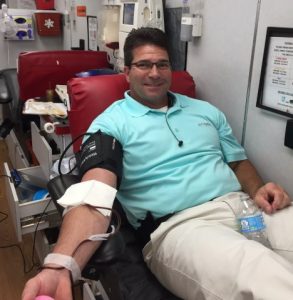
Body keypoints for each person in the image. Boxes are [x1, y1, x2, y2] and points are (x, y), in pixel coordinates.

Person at [22, 27, 293, 300]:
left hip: (243, 208)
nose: (154, 73)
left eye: (162, 64)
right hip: (182, 228)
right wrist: (61, 266)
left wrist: (258, 188)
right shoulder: (111, 124)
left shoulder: (206, 111)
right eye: (143, 65)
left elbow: (237, 161)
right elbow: (96, 192)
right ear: (126, 72)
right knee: (264, 278)